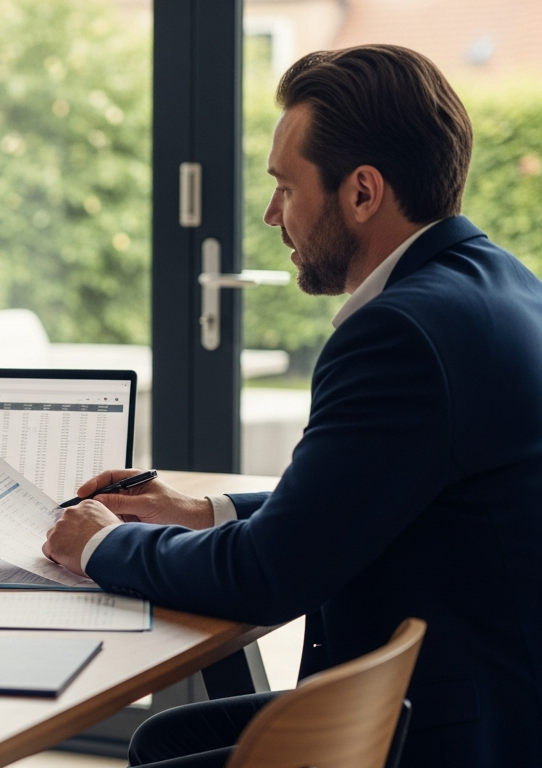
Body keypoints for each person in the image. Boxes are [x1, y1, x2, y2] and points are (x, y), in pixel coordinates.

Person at [43, 45, 542, 767]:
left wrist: (98, 543)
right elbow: (361, 494)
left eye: (285, 185)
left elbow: (268, 576)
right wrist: (201, 511)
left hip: (443, 734)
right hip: (490, 697)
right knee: (165, 737)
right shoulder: (501, 283)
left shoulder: (400, 333)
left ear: (362, 192)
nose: (272, 213)